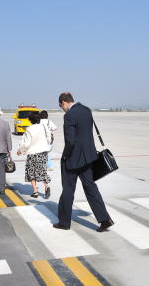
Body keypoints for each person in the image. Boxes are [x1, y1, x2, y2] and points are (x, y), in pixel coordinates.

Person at [55, 92, 114, 232]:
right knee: (91, 188)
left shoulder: (69, 115)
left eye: (60, 106)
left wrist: (65, 157)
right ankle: (105, 220)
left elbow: (70, 140)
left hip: (73, 160)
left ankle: (64, 222)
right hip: (88, 158)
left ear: (63, 102)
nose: (62, 109)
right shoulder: (86, 110)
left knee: (68, 189)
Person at [17, 111, 52, 198]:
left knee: (31, 172)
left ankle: (35, 192)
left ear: (30, 120)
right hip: (43, 152)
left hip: (33, 153)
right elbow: (49, 137)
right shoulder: (43, 127)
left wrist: (20, 150)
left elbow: (26, 143)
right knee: (42, 170)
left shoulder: (29, 129)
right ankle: (46, 187)